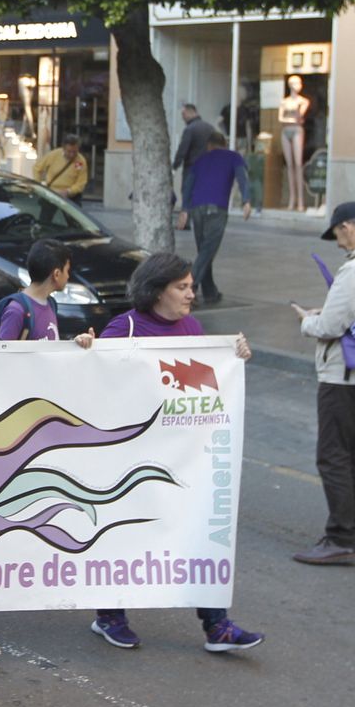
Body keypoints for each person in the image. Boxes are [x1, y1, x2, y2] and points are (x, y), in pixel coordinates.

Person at [72, 252, 261, 652]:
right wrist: (86, 349)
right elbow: (95, 385)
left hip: (184, 459)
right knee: (124, 535)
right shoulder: (123, 328)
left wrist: (234, 354)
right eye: (182, 287)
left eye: (191, 286)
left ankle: (217, 626)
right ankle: (108, 616)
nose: (191, 294)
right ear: (157, 291)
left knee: (201, 535)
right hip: (131, 459)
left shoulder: (193, 327)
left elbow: (210, 383)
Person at [288, 202, 355, 564]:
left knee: (332, 455)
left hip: (343, 376)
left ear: (347, 227)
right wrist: (328, 312)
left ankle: (340, 537)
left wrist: (306, 321)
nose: (340, 244)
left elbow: (331, 327)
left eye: (338, 236)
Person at [176, 130, 252, 306]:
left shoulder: (201, 160)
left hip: (197, 209)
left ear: (209, 145)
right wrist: (246, 201)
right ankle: (189, 289)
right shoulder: (234, 157)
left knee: (205, 250)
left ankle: (210, 292)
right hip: (217, 209)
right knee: (207, 251)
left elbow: (188, 184)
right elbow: (242, 178)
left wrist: (184, 209)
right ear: (224, 143)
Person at [0, 239, 71, 341]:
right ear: (56, 274)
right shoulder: (17, 311)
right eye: (67, 270)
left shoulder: (51, 304)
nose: (68, 276)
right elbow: (0, 353)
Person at [277, 77, 312, 212]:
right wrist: (293, 116)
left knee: (298, 164)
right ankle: (292, 199)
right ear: (290, 85)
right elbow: (281, 118)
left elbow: (298, 116)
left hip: (297, 130)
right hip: (286, 131)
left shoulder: (303, 101)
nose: (298, 86)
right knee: (290, 165)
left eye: (299, 83)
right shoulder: (284, 102)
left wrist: (291, 116)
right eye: (295, 83)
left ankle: (300, 201)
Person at [171, 103, 214, 200]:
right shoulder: (210, 128)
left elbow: (182, 151)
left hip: (192, 168)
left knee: (188, 197)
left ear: (189, 113)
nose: (183, 118)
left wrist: (174, 167)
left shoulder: (190, 129)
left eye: (183, 114)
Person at [34, 133, 89, 200]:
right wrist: (39, 185)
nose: (72, 155)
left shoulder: (80, 161)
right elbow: (37, 168)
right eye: (69, 151)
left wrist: (69, 191)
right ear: (63, 149)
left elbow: (81, 182)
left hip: (70, 195)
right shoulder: (54, 155)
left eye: (74, 152)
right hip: (52, 192)